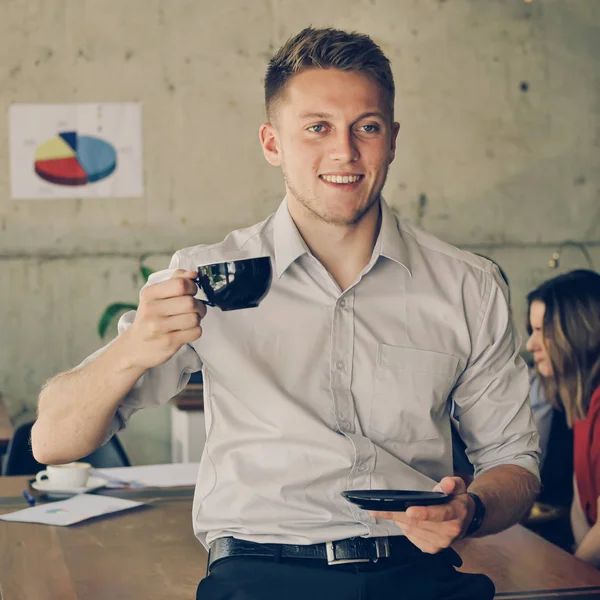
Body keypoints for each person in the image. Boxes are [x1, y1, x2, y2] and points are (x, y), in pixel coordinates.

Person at [32, 27, 541, 599]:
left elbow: (513, 460)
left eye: (366, 127)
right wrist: (134, 346)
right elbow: (53, 441)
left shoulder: (468, 285)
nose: (344, 151)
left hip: (420, 572)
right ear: (272, 143)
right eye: (317, 128)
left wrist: (469, 510)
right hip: (257, 576)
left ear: (392, 140)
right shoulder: (205, 276)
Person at [525, 269, 600, 567]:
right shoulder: (582, 404)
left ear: (581, 331)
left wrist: (570, 581)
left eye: (542, 330)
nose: (531, 345)